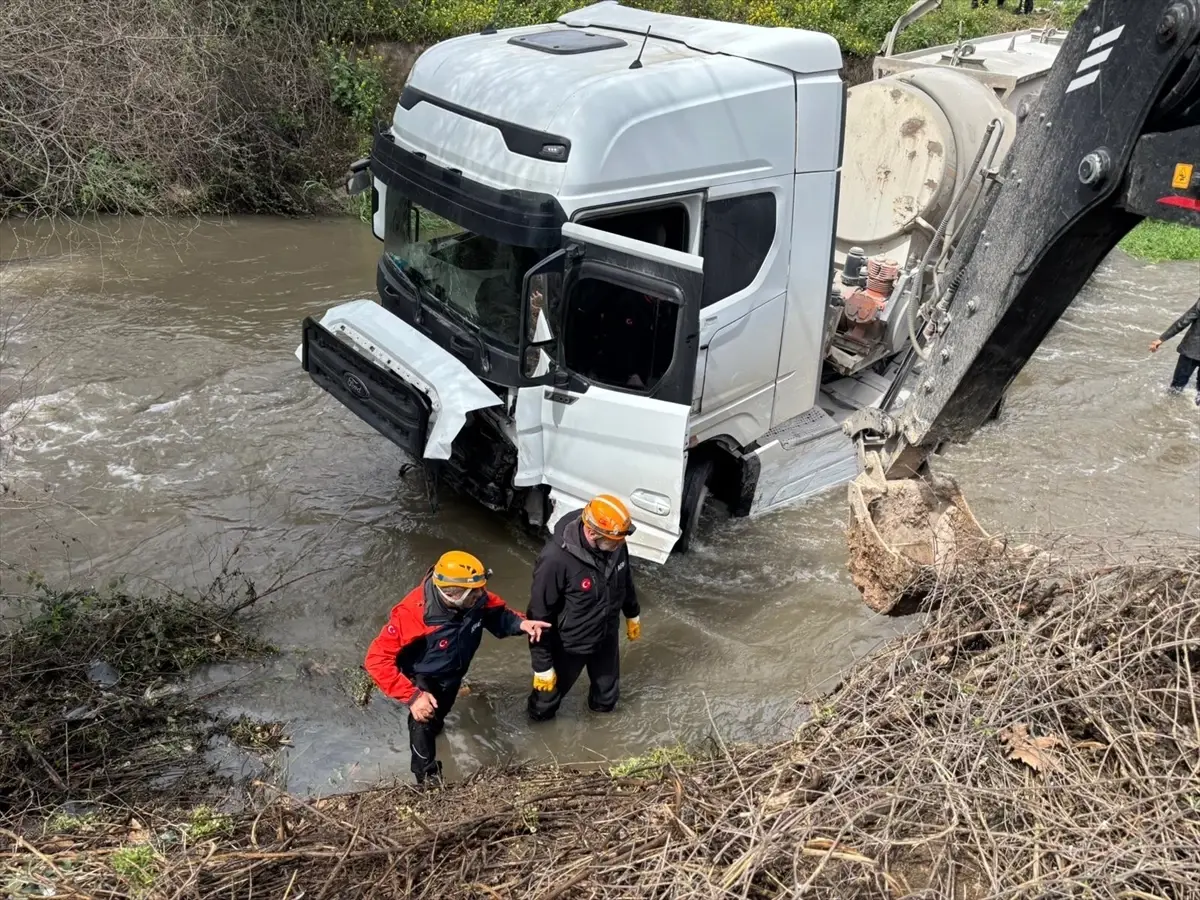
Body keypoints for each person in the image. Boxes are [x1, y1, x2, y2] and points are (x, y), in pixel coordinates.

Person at [364, 551, 551, 785]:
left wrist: (522, 624)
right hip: (423, 676)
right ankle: (428, 780)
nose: (482, 595)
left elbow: (498, 616)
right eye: (475, 593)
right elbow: (376, 659)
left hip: (453, 672)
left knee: (439, 716)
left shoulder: (476, 598)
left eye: (482, 589)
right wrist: (412, 697)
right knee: (423, 722)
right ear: (453, 594)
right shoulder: (412, 614)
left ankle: (438, 730)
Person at [527, 494, 642, 721]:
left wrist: (632, 612)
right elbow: (537, 616)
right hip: (571, 643)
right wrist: (542, 666)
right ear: (592, 533)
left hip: (606, 635)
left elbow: (624, 578)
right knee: (544, 706)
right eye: (614, 541)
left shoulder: (616, 543)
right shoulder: (555, 560)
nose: (620, 545)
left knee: (606, 700)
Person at [1149, 298, 1200, 404]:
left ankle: (1166, 410)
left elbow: (1183, 321)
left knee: (1176, 388)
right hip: (1190, 350)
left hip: (1190, 350)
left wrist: (1162, 339)